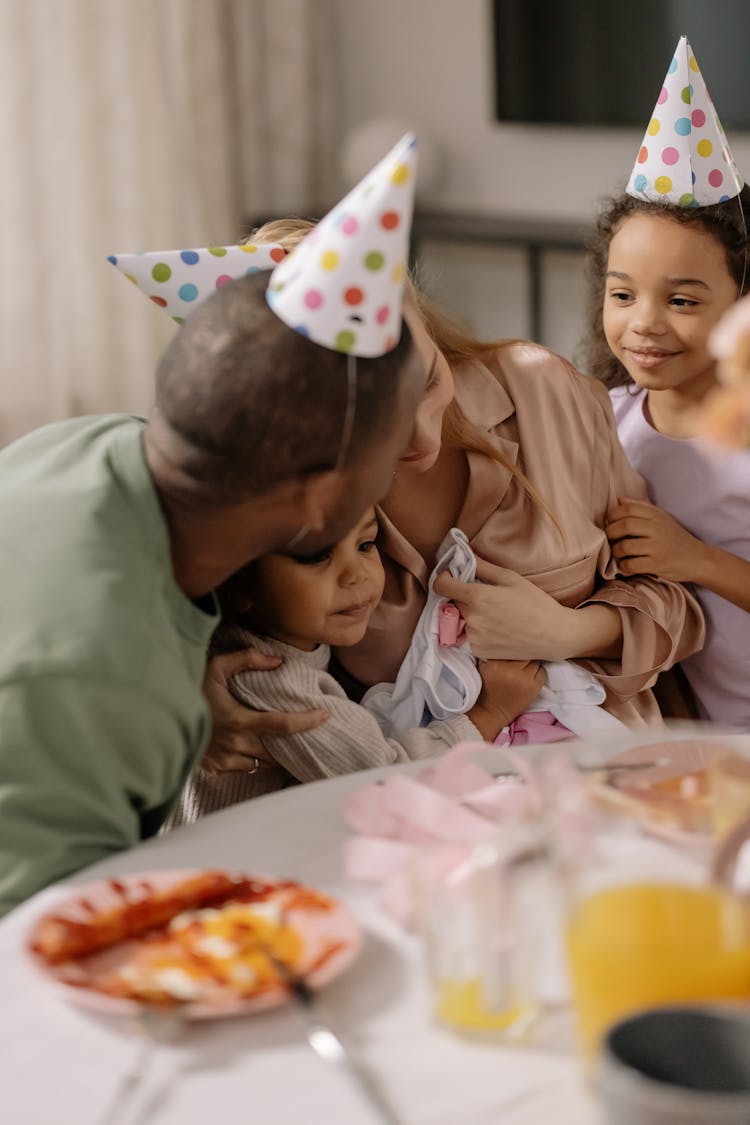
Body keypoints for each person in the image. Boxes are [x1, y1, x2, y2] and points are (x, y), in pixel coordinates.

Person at [201, 216, 704, 780]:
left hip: (615, 782)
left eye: (427, 382)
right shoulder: (289, 503)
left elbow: (680, 607)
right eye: (374, 422)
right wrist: (195, 708)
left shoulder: (546, 393)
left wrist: (570, 632)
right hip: (423, 813)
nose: (419, 437)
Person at [0, 271, 425, 915]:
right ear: (320, 496)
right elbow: (43, 949)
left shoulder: (91, 444)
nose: (419, 447)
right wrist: (157, 709)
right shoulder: (107, 680)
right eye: (395, 447)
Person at [170, 507, 544, 824]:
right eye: (318, 556)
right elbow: (387, 781)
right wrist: (489, 713)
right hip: (228, 879)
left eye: (365, 545)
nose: (357, 574)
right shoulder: (274, 683)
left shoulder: (275, 641)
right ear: (239, 584)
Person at [581, 37, 750, 729]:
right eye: (623, 296)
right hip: (675, 728)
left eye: (682, 300)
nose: (644, 324)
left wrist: (698, 559)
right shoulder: (607, 421)